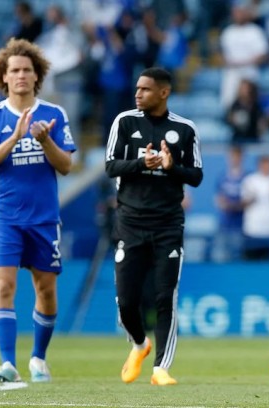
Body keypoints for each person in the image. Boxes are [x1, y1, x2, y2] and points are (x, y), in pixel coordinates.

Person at [0, 38, 75, 383]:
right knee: (3, 285)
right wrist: (14, 138)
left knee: (45, 289)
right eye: (13, 70)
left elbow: (67, 166)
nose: (20, 76)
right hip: (5, 217)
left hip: (44, 217)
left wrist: (45, 140)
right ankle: (7, 364)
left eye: (26, 70)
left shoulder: (55, 114)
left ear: (37, 76)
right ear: (3, 76)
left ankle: (38, 358)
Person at [105, 67, 203, 386]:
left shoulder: (185, 129)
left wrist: (172, 167)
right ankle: (139, 344)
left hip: (167, 224)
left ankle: (161, 367)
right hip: (130, 223)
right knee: (126, 302)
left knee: (165, 297)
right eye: (137, 89)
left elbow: (196, 176)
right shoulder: (124, 122)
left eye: (145, 89)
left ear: (164, 92)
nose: (138, 94)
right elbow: (110, 166)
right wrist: (140, 164)